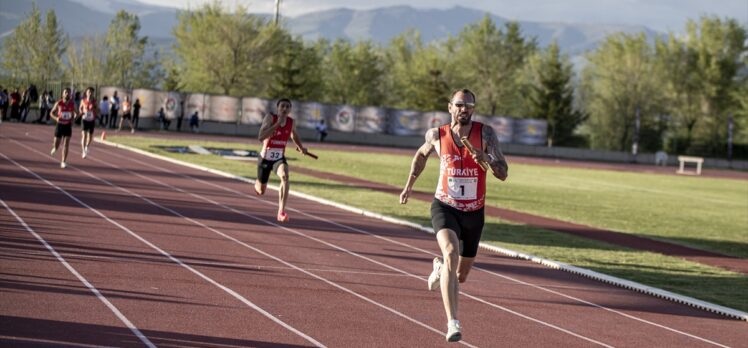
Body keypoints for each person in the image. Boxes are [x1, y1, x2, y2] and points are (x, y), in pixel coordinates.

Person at [399, 88, 508, 342]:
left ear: (473, 109)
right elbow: (421, 155)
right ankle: (452, 322)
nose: (464, 109)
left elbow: (503, 173)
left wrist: (488, 159)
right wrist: (409, 185)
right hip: (445, 207)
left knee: (460, 275)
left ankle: (439, 269)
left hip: (473, 212)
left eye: (469, 105)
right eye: (459, 105)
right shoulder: (437, 134)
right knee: (450, 252)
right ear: (450, 107)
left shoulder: (486, 134)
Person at [255, 98, 309, 222]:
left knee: (285, 176)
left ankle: (281, 212)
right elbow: (261, 136)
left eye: (287, 107)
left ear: (290, 109)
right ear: (278, 108)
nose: (284, 109)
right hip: (265, 158)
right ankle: (258, 182)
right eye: (282, 106)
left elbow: (294, 134)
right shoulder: (270, 118)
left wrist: (301, 147)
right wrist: (277, 124)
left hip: (278, 158)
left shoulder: (291, 122)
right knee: (261, 191)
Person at [49, 87, 78, 168]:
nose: (67, 94)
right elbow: (51, 113)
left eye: (68, 92)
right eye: (66, 92)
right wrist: (56, 118)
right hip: (60, 125)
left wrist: (73, 119)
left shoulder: (73, 104)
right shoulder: (59, 103)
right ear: (63, 94)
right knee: (57, 144)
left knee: (66, 144)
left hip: (68, 125)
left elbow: (77, 113)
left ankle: (63, 161)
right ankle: (55, 147)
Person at [79, 87, 98, 159]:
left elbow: (97, 109)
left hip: (91, 120)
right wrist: (81, 111)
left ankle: (87, 146)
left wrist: (94, 109)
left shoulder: (95, 101)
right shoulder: (83, 100)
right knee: (84, 135)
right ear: (86, 93)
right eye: (89, 92)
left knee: (90, 137)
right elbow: (80, 108)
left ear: (93, 93)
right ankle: (83, 151)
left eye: (91, 92)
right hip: (84, 119)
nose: (90, 93)